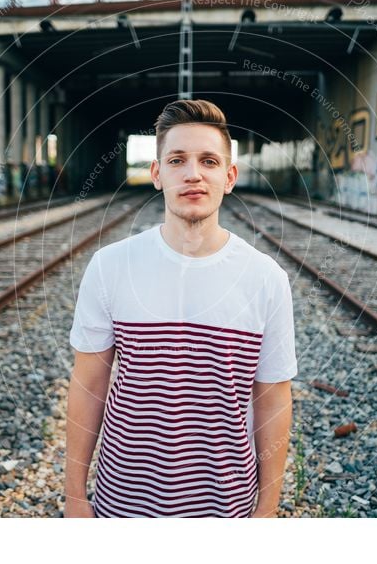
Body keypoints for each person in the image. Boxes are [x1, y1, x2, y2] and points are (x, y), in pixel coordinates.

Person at [64, 99, 297, 518]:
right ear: (157, 174)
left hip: (227, 510)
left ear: (229, 178)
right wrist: (75, 498)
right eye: (177, 160)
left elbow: (273, 398)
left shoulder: (266, 278)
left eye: (209, 161)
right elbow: (89, 385)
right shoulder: (111, 266)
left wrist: (267, 510)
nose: (193, 173)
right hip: (121, 505)